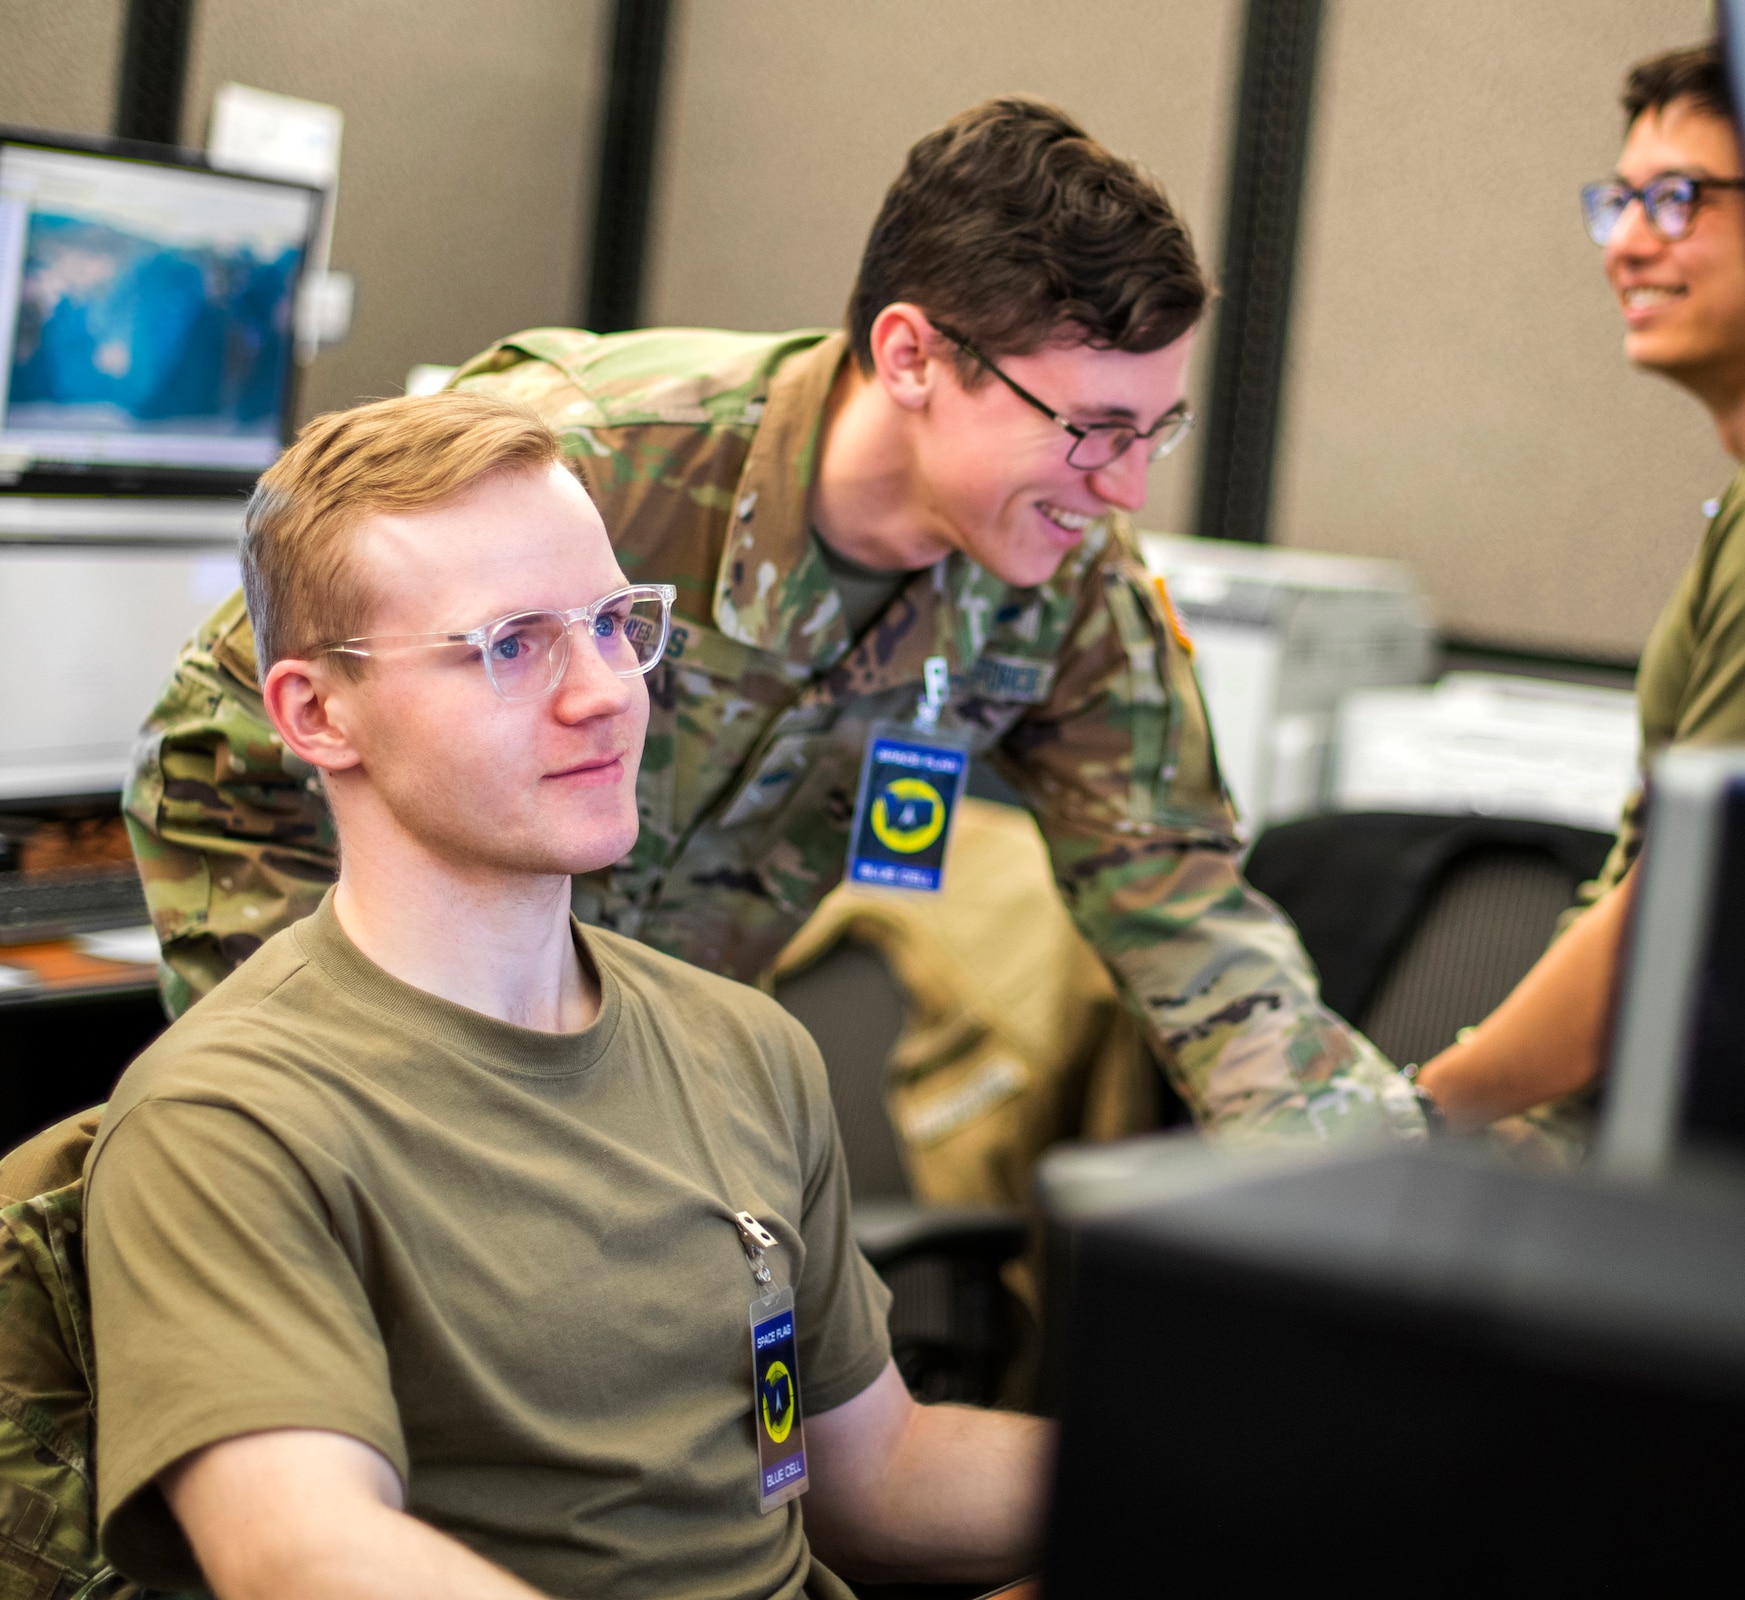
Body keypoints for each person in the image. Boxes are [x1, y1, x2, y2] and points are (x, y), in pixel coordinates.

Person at [126, 96, 1425, 1148]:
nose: (1129, 486)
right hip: (401, 1079)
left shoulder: (1066, 580)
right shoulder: (589, 466)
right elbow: (210, 762)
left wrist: (1347, 1172)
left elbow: (1175, 892)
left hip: (648, 1095)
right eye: (1089, 430)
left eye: (1157, 430)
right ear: (913, 355)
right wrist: (317, 1093)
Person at [84, 393, 1050, 1599]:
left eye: (610, 623)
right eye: (510, 644)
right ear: (317, 714)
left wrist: (1231, 1476)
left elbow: (877, 1478)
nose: (603, 691)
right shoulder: (232, 1121)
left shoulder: (745, 1044)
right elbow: (300, 1551)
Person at [1414, 41, 1745, 1134]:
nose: (1628, 244)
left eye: (1676, 198)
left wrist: (1414, 1116)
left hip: (1649, 1165)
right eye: (1618, 201)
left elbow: (1674, 927)